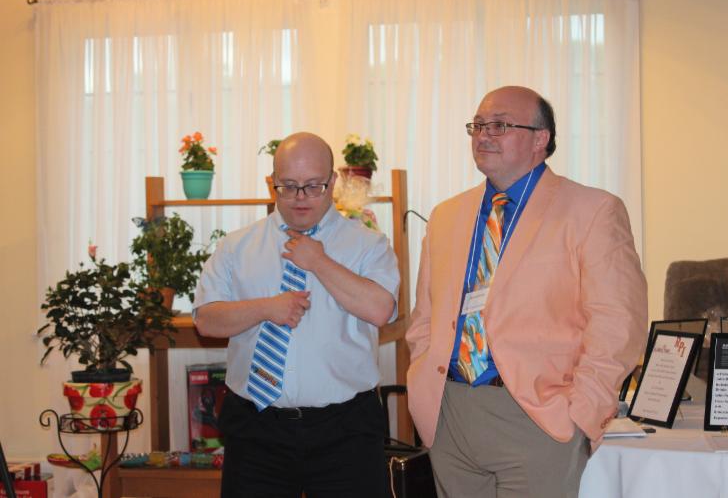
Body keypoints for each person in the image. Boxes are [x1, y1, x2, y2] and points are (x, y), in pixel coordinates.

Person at [406, 86, 648, 497]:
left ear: (541, 139)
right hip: (450, 414)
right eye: (478, 125)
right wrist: (423, 383)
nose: (484, 135)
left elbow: (618, 323)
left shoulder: (592, 211)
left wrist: (580, 413)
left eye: (500, 125)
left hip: (540, 416)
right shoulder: (447, 215)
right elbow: (425, 318)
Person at [194, 132, 400, 498]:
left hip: (346, 431)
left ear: (332, 182)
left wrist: (318, 261)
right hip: (256, 430)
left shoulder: (368, 244)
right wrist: (265, 308)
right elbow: (206, 320)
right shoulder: (236, 247)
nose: (300, 198)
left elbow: (381, 309)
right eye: (288, 186)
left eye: (313, 186)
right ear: (270, 183)